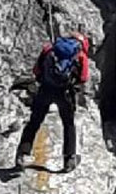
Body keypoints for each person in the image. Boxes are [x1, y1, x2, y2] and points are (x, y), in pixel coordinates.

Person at [15, 31, 90, 172]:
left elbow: (36, 70)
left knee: (34, 122)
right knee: (68, 125)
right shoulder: (80, 55)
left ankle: (22, 154)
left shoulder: (50, 48)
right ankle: (69, 160)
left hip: (45, 90)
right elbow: (84, 77)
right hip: (65, 93)